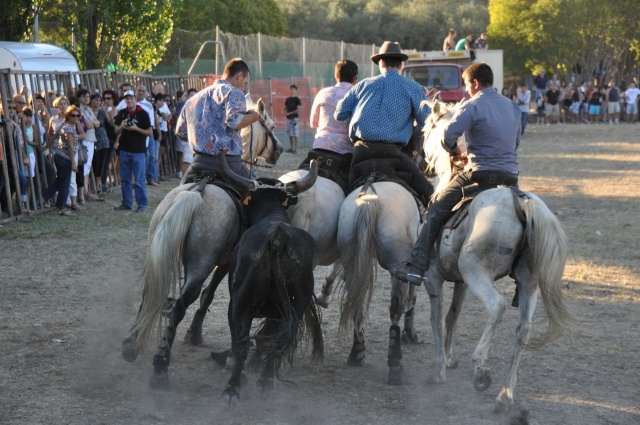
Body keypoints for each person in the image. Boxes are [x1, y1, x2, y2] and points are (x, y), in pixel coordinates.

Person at [391, 62, 521, 286]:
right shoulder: (512, 106)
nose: (467, 91)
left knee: (436, 208)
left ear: (476, 83)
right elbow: (515, 142)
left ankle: (416, 266)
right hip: (510, 177)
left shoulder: (471, 105)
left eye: (468, 86)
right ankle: (521, 276)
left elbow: (447, 138)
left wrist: (456, 152)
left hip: (478, 175)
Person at [335, 41, 433, 206]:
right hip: (393, 154)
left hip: (360, 153)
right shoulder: (413, 87)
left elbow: (340, 113)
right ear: (401, 64)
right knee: (429, 194)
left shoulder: (363, 85)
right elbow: (427, 122)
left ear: (380, 63)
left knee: (342, 198)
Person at [176, 58, 260, 182]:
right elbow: (235, 122)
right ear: (239, 76)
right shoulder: (234, 92)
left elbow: (181, 132)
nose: (244, 88)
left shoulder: (192, 100)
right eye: (245, 83)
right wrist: (254, 116)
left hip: (198, 164)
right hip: (228, 164)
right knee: (255, 194)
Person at [299, 59, 358, 192]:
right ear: (355, 78)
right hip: (345, 152)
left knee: (295, 181)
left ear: (336, 76)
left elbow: (313, 123)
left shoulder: (322, 93)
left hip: (319, 148)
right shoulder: (358, 95)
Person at [113, 89, 153, 212]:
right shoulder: (122, 113)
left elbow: (150, 132)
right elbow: (116, 131)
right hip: (124, 150)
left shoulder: (143, 113)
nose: (129, 100)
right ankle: (127, 203)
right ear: (124, 100)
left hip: (138, 151)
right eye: (126, 98)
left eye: (131, 98)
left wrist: (135, 128)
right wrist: (122, 126)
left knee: (139, 180)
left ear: (135, 99)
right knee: (125, 179)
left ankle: (142, 205)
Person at [42, 105, 81, 216]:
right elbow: (69, 145)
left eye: (78, 115)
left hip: (60, 156)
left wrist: (45, 147)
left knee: (60, 181)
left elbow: (53, 137)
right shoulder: (68, 127)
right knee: (65, 183)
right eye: (73, 115)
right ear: (68, 116)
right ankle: (61, 207)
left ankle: (44, 197)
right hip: (65, 158)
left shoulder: (65, 125)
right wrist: (73, 163)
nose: (76, 118)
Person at [284, 84, 302, 154]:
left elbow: (298, 109)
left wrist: (290, 113)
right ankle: (292, 148)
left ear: (296, 91)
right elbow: (285, 107)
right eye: (291, 89)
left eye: (294, 89)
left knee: (295, 134)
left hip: (294, 119)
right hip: (288, 119)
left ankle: (295, 149)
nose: (292, 91)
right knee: (290, 134)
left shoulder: (297, 99)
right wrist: (285, 112)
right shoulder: (288, 99)